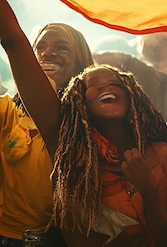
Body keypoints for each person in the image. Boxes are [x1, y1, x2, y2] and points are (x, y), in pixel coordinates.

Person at [0, 0, 167, 247]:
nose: (105, 87)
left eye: (115, 83)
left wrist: (146, 187)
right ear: (80, 103)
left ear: (134, 96)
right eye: (93, 85)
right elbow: (13, 39)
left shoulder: (166, 155)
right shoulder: (69, 145)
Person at [0, 18, 93, 246]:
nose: (47, 53)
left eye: (62, 47)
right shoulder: (7, 111)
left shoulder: (92, 118)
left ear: (80, 62)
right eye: (39, 47)